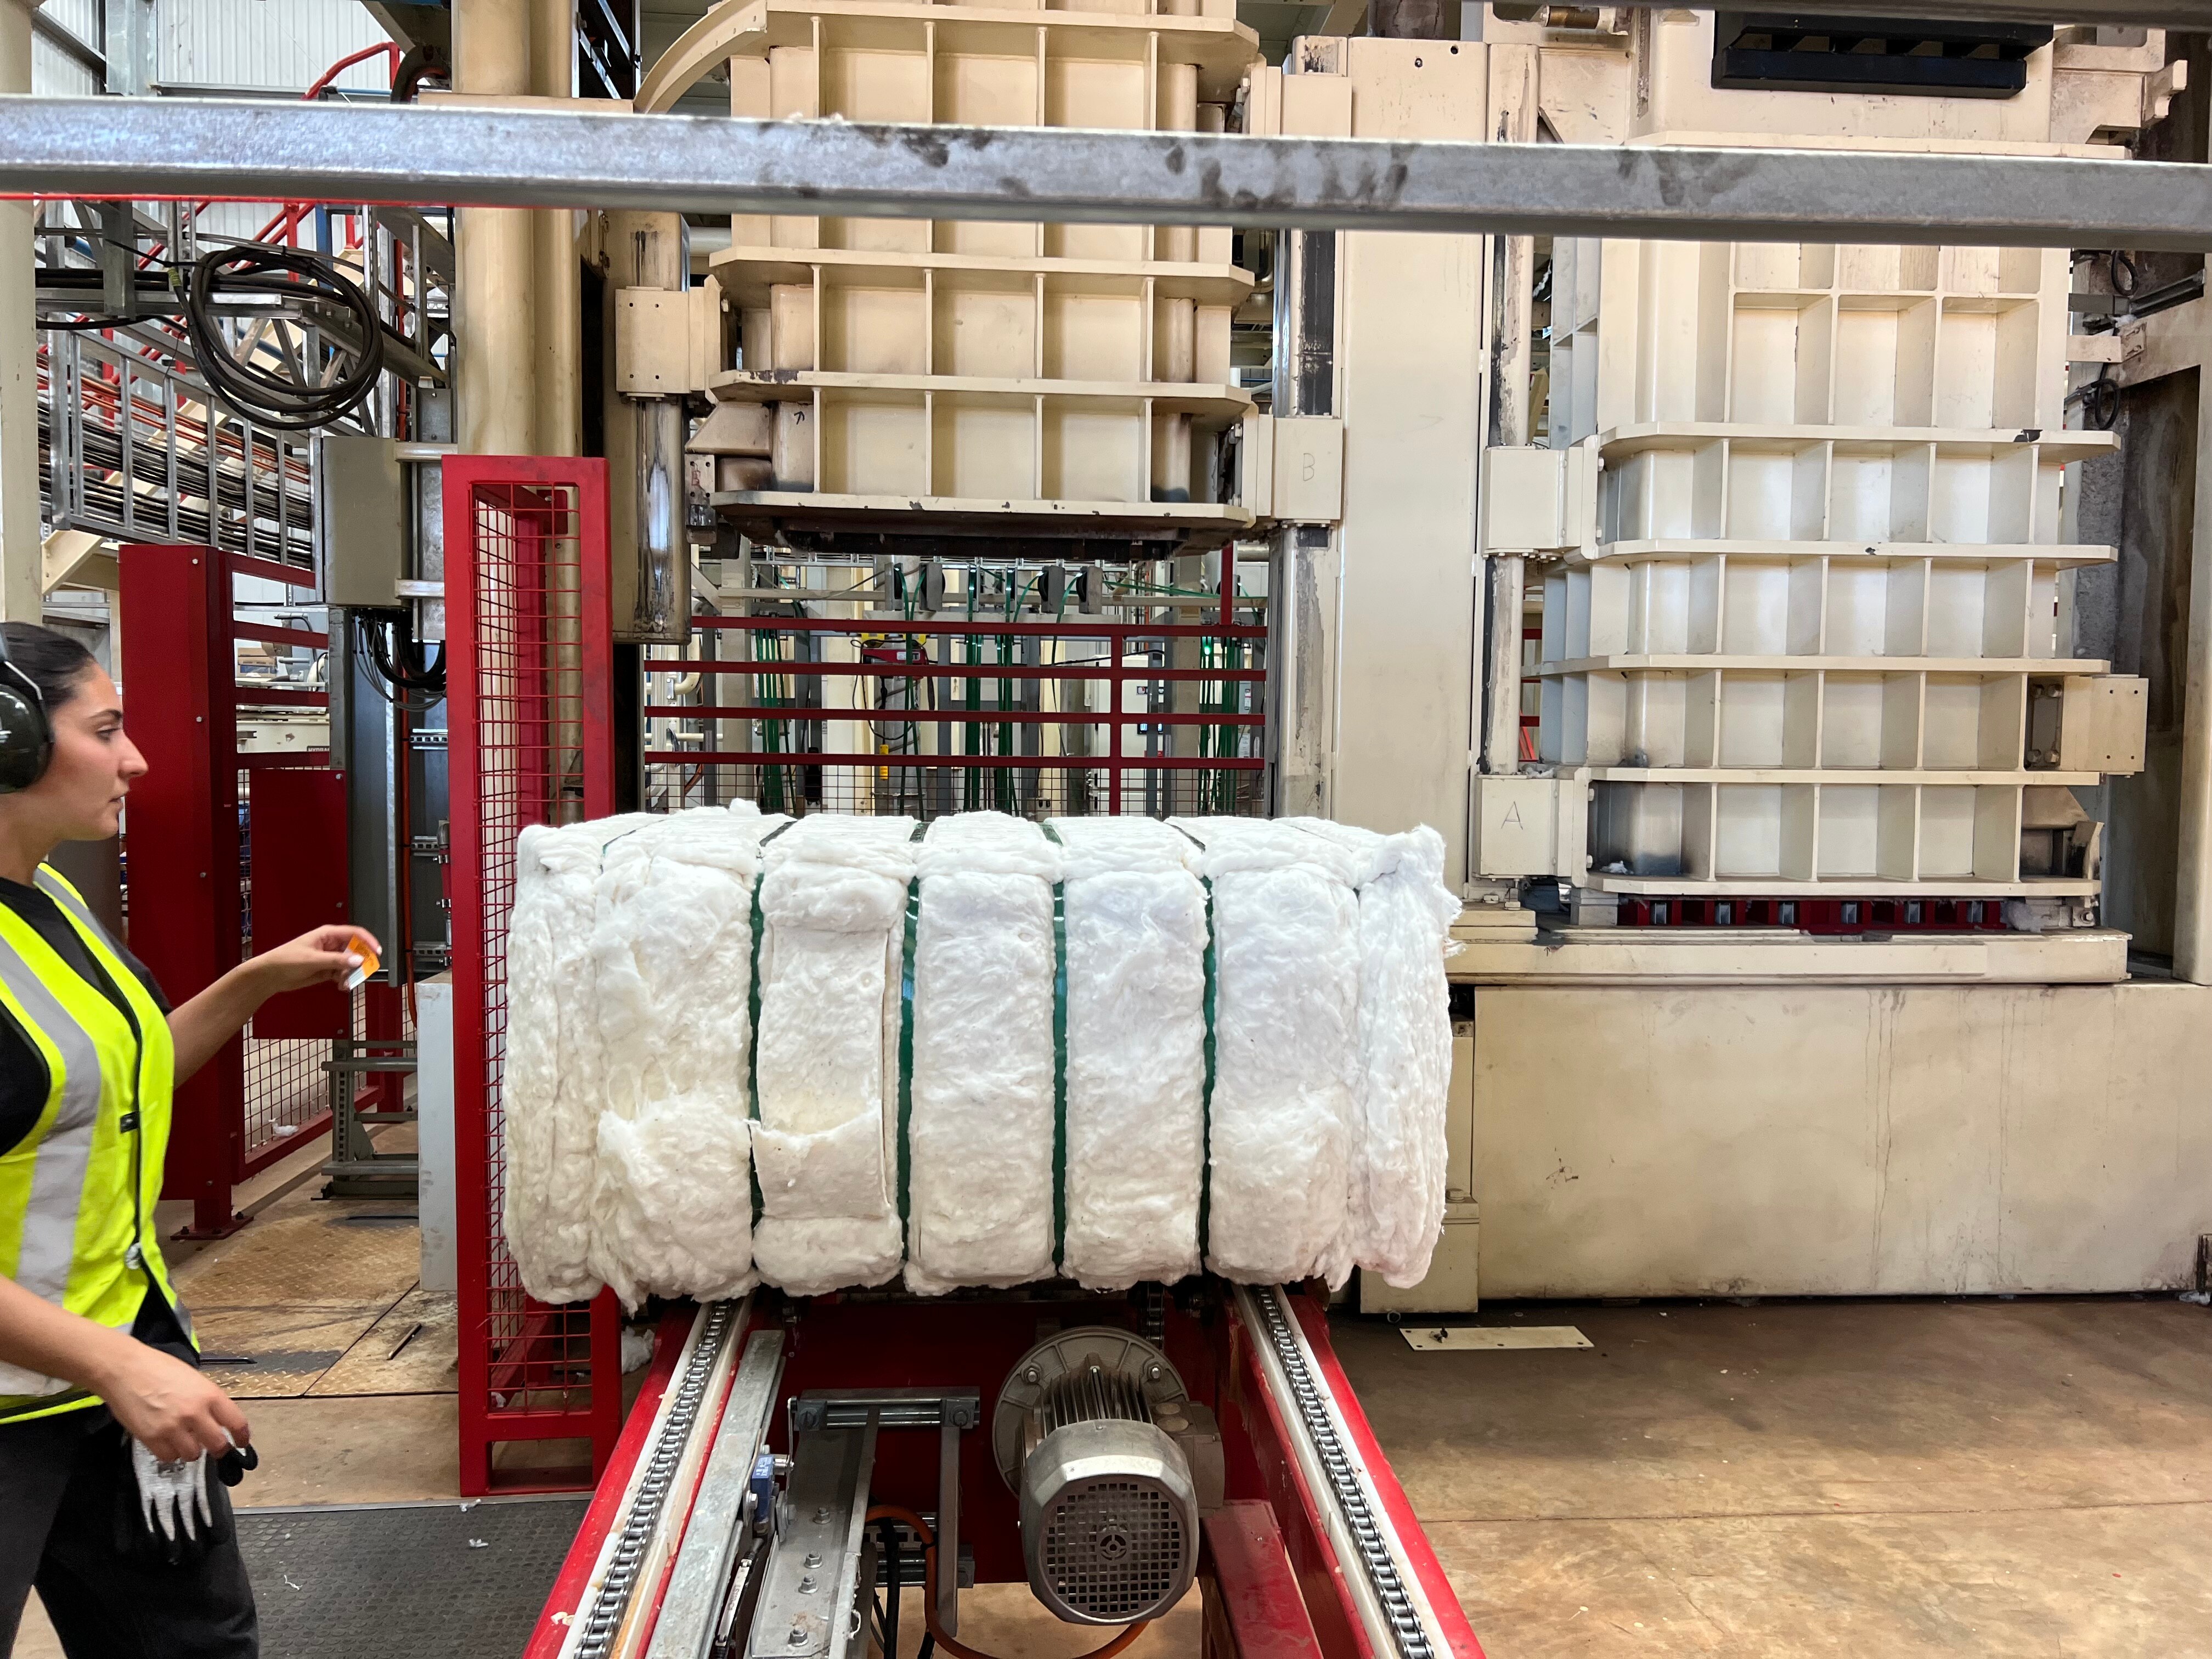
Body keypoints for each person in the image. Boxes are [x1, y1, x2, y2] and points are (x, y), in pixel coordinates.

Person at [0, 622, 379, 1658]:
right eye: (108, 729)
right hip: (45, 1392)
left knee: (195, 1644)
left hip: (111, 1370)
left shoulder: (48, 897)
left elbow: (106, 1083)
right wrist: (115, 1365)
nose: (138, 759)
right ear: (11, 743)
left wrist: (259, 978)